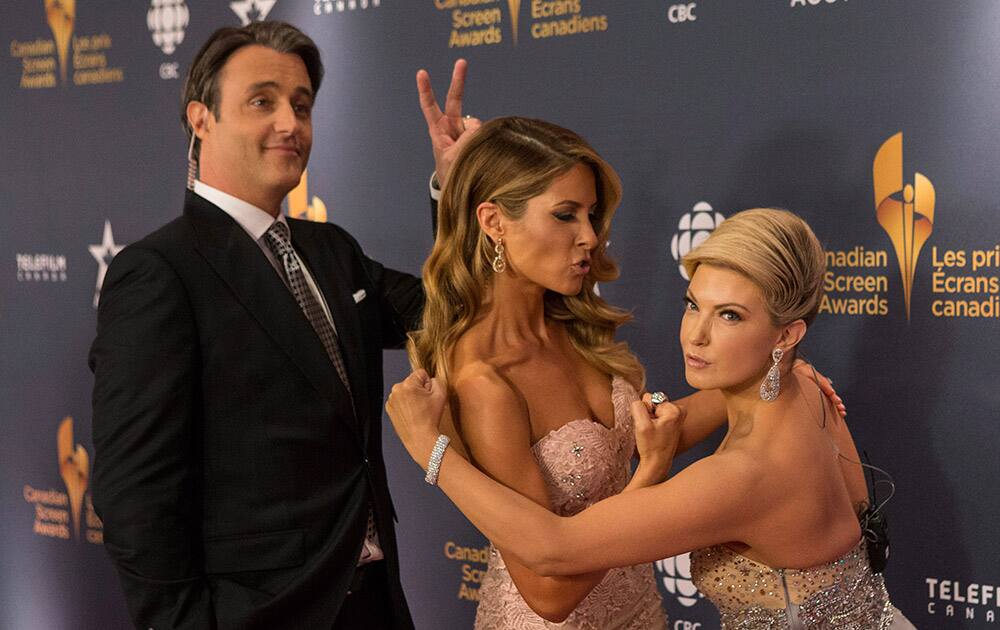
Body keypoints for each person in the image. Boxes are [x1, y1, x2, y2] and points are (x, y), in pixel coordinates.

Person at [89, 21, 474, 630]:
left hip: (376, 603)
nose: (290, 124)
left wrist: (456, 192)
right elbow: (135, 498)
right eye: (261, 101)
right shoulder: (160, 272)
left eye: (302, 105)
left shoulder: (331, 250)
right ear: (201, 118)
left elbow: (450, 314)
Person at [404, 120, 845, 629]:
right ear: (494, 221)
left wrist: (782, 366)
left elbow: (645, 437)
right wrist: (650, 476)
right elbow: (547, 593)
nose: (589, 236)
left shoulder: (571, 324)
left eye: (591, 214)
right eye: (565, 215)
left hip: (641, 612)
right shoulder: (485, 378)